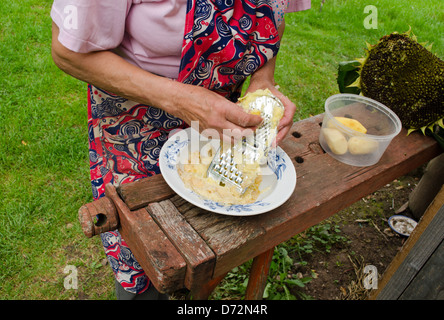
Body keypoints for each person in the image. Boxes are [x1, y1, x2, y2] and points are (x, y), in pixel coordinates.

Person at [51, 0, 311, 299]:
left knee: (201, 249)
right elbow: (67, 50)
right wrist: (179, 100)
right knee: (150, 262)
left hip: (220, 127)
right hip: (134, 126)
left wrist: (263, 82)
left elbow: (270, 16)